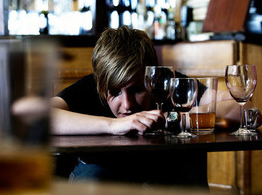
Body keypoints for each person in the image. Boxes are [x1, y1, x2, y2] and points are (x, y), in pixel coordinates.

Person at [50, 26, 258, 185]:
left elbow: (243, 109)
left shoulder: (167, 84)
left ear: (152, 77)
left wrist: (173, 119)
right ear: (102, 85)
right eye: (115, 93)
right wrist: (112, 126)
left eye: (138, 90)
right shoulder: (92, 86)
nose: (127, 104)